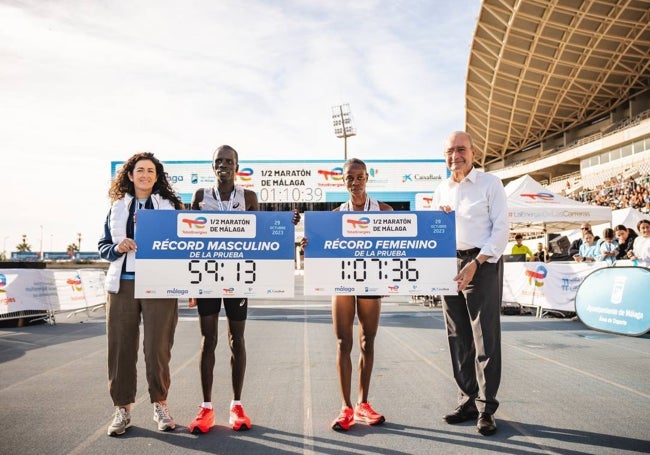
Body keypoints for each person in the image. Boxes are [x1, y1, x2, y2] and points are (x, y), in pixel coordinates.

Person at [187, 145, 300, 434]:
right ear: (212, 166)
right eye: (218, 161)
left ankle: (237, 405)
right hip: (207, 278)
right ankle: (206, 407)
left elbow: (261, 232)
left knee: (237, 339)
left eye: (229, 161)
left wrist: (287, 223)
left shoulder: (247, 197)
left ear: (237, 166)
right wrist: (189, 283)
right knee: (207, 339)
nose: (223, 165)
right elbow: (185, 238)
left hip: (238, 277)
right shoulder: (200, 196)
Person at [302, 158, 392, 432]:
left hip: (371, 281)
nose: (355, 182)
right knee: (343, 342)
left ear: (367, 178)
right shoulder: (334, 214)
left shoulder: (384, 210)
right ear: (343, 181)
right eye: (349, 178)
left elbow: (401, 242)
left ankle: (363, 402)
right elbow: (323, 248)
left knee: (368, 341)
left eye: (360, 177)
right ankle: (346, 407)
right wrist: (309, 246)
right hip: (341, 280)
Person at [98, 152, 184, 436]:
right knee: (121, 348)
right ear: (130, 176)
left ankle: (160, 404)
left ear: (156, 176)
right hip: (122, 284)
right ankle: (122, 408)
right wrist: (117, 248)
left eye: (150, 170)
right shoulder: (117, 207)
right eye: (140, 170)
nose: (145, 174)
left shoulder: (170, 207)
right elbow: (102, 246)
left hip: (158, 284)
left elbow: (184, 245)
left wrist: (188, 285)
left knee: (157, 348)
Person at [433, 131, 509, 437]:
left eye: (461, 149)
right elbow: (432, 231)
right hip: (448, 266)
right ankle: (467, 398)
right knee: (458, 337)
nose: (456, 156)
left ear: (473, 153)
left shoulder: (491, 184)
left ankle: (486, 407)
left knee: (484, 338)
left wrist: (475, 264)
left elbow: (502, 230)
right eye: (450, 151)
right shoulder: (440, 189)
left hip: (482, 264)